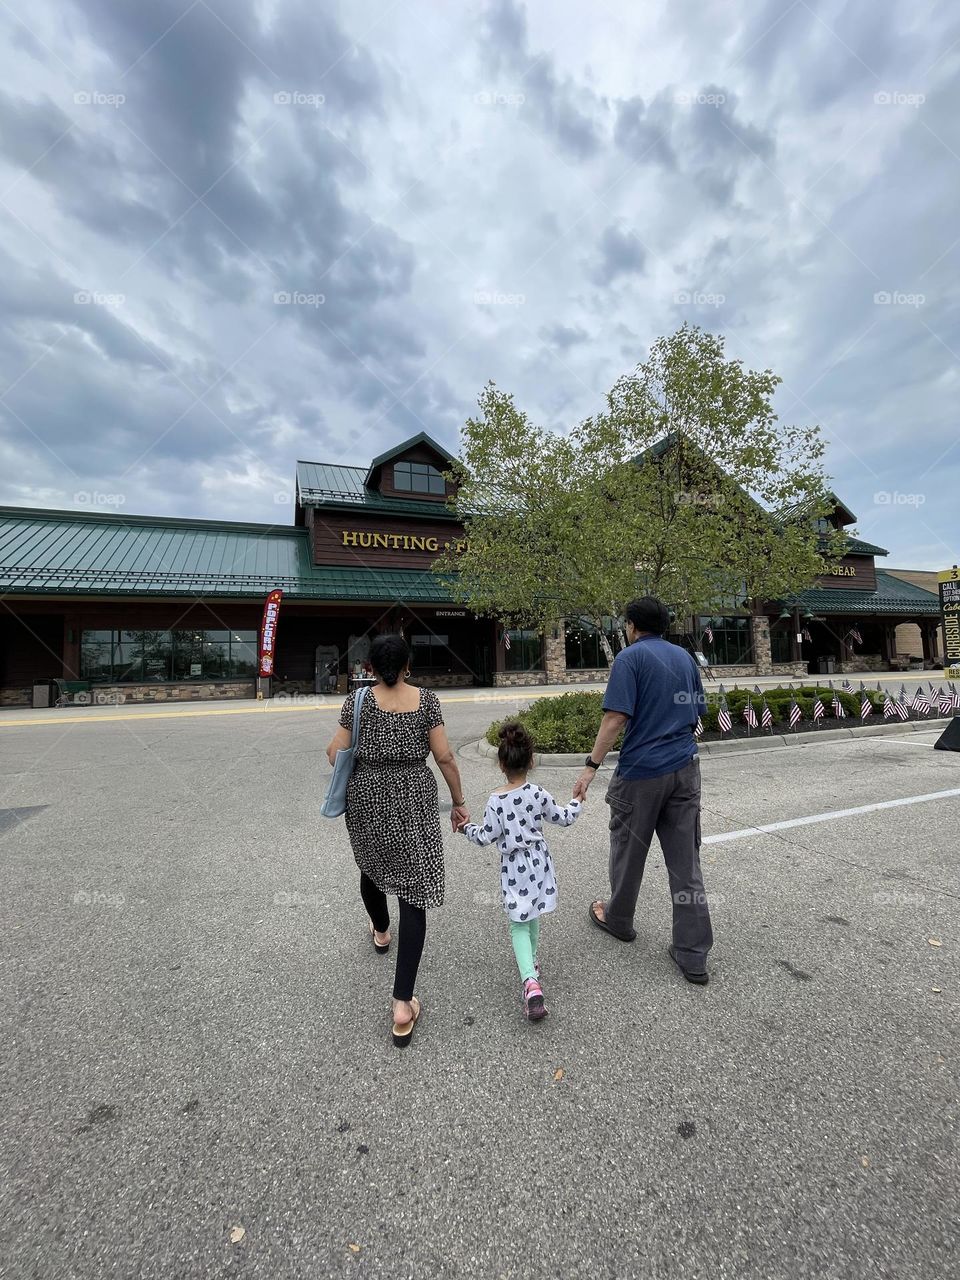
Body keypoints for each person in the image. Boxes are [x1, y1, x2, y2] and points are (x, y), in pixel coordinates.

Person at [326, 633, 468, 1045]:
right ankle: (402, 1003)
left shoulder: (358, 702)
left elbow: (334, 752)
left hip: (366, 796)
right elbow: (444, 757)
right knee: (414, 890)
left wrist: (367, 758)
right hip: (414, 798)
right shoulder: (427, 701)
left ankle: (382, 931)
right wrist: (459, 801)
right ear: (408, 665)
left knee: (371, 865)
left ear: (370, 667)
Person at [573, 596, 713, 984]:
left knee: (628, 851)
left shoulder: (629, 658)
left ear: (633, 626)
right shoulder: (686, 658)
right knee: (686, 863)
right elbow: (698, 710)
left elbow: (616, 717)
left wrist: (590, 768)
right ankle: (693, 954)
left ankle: (618, 918)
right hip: (686, 768)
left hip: (641, 772)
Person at [458, 722, 581, 1021]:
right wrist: (578, 799)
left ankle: (530, 983)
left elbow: (486, 836)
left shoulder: (495, 801)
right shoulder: (538, 793)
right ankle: (532, 966)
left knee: (518, 922)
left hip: (514, 867)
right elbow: (563, 817)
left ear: (501, 765)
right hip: (539, 862)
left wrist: (465, 828)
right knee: (533, 912)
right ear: (532, 760)